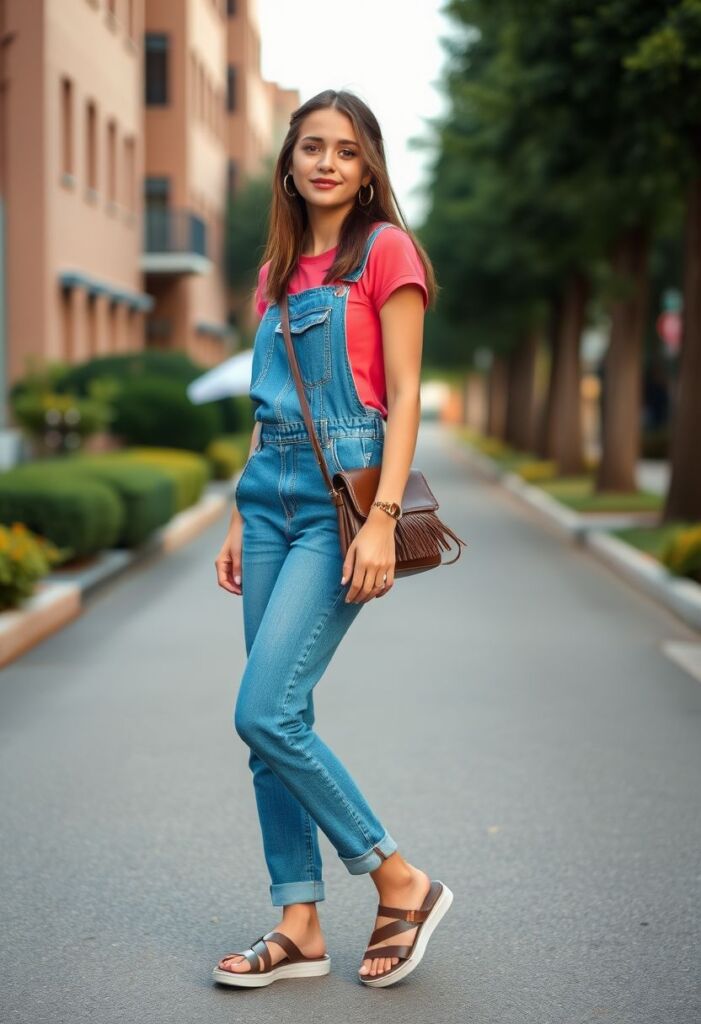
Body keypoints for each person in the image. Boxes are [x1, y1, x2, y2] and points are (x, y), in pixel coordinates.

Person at [212, 89, 453, 989]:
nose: (325, 163)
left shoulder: (387, 253)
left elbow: (401, 397)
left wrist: (382, 520)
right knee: (276, 721)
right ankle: (300, 922)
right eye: (310, 147)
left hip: (336, 503)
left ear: (367, 168)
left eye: (345, 151)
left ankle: (399, 880)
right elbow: (266, 407)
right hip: (266, 497)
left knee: (262, 709)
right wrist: (238, 514)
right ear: (288, 163)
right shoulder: (275, 273)